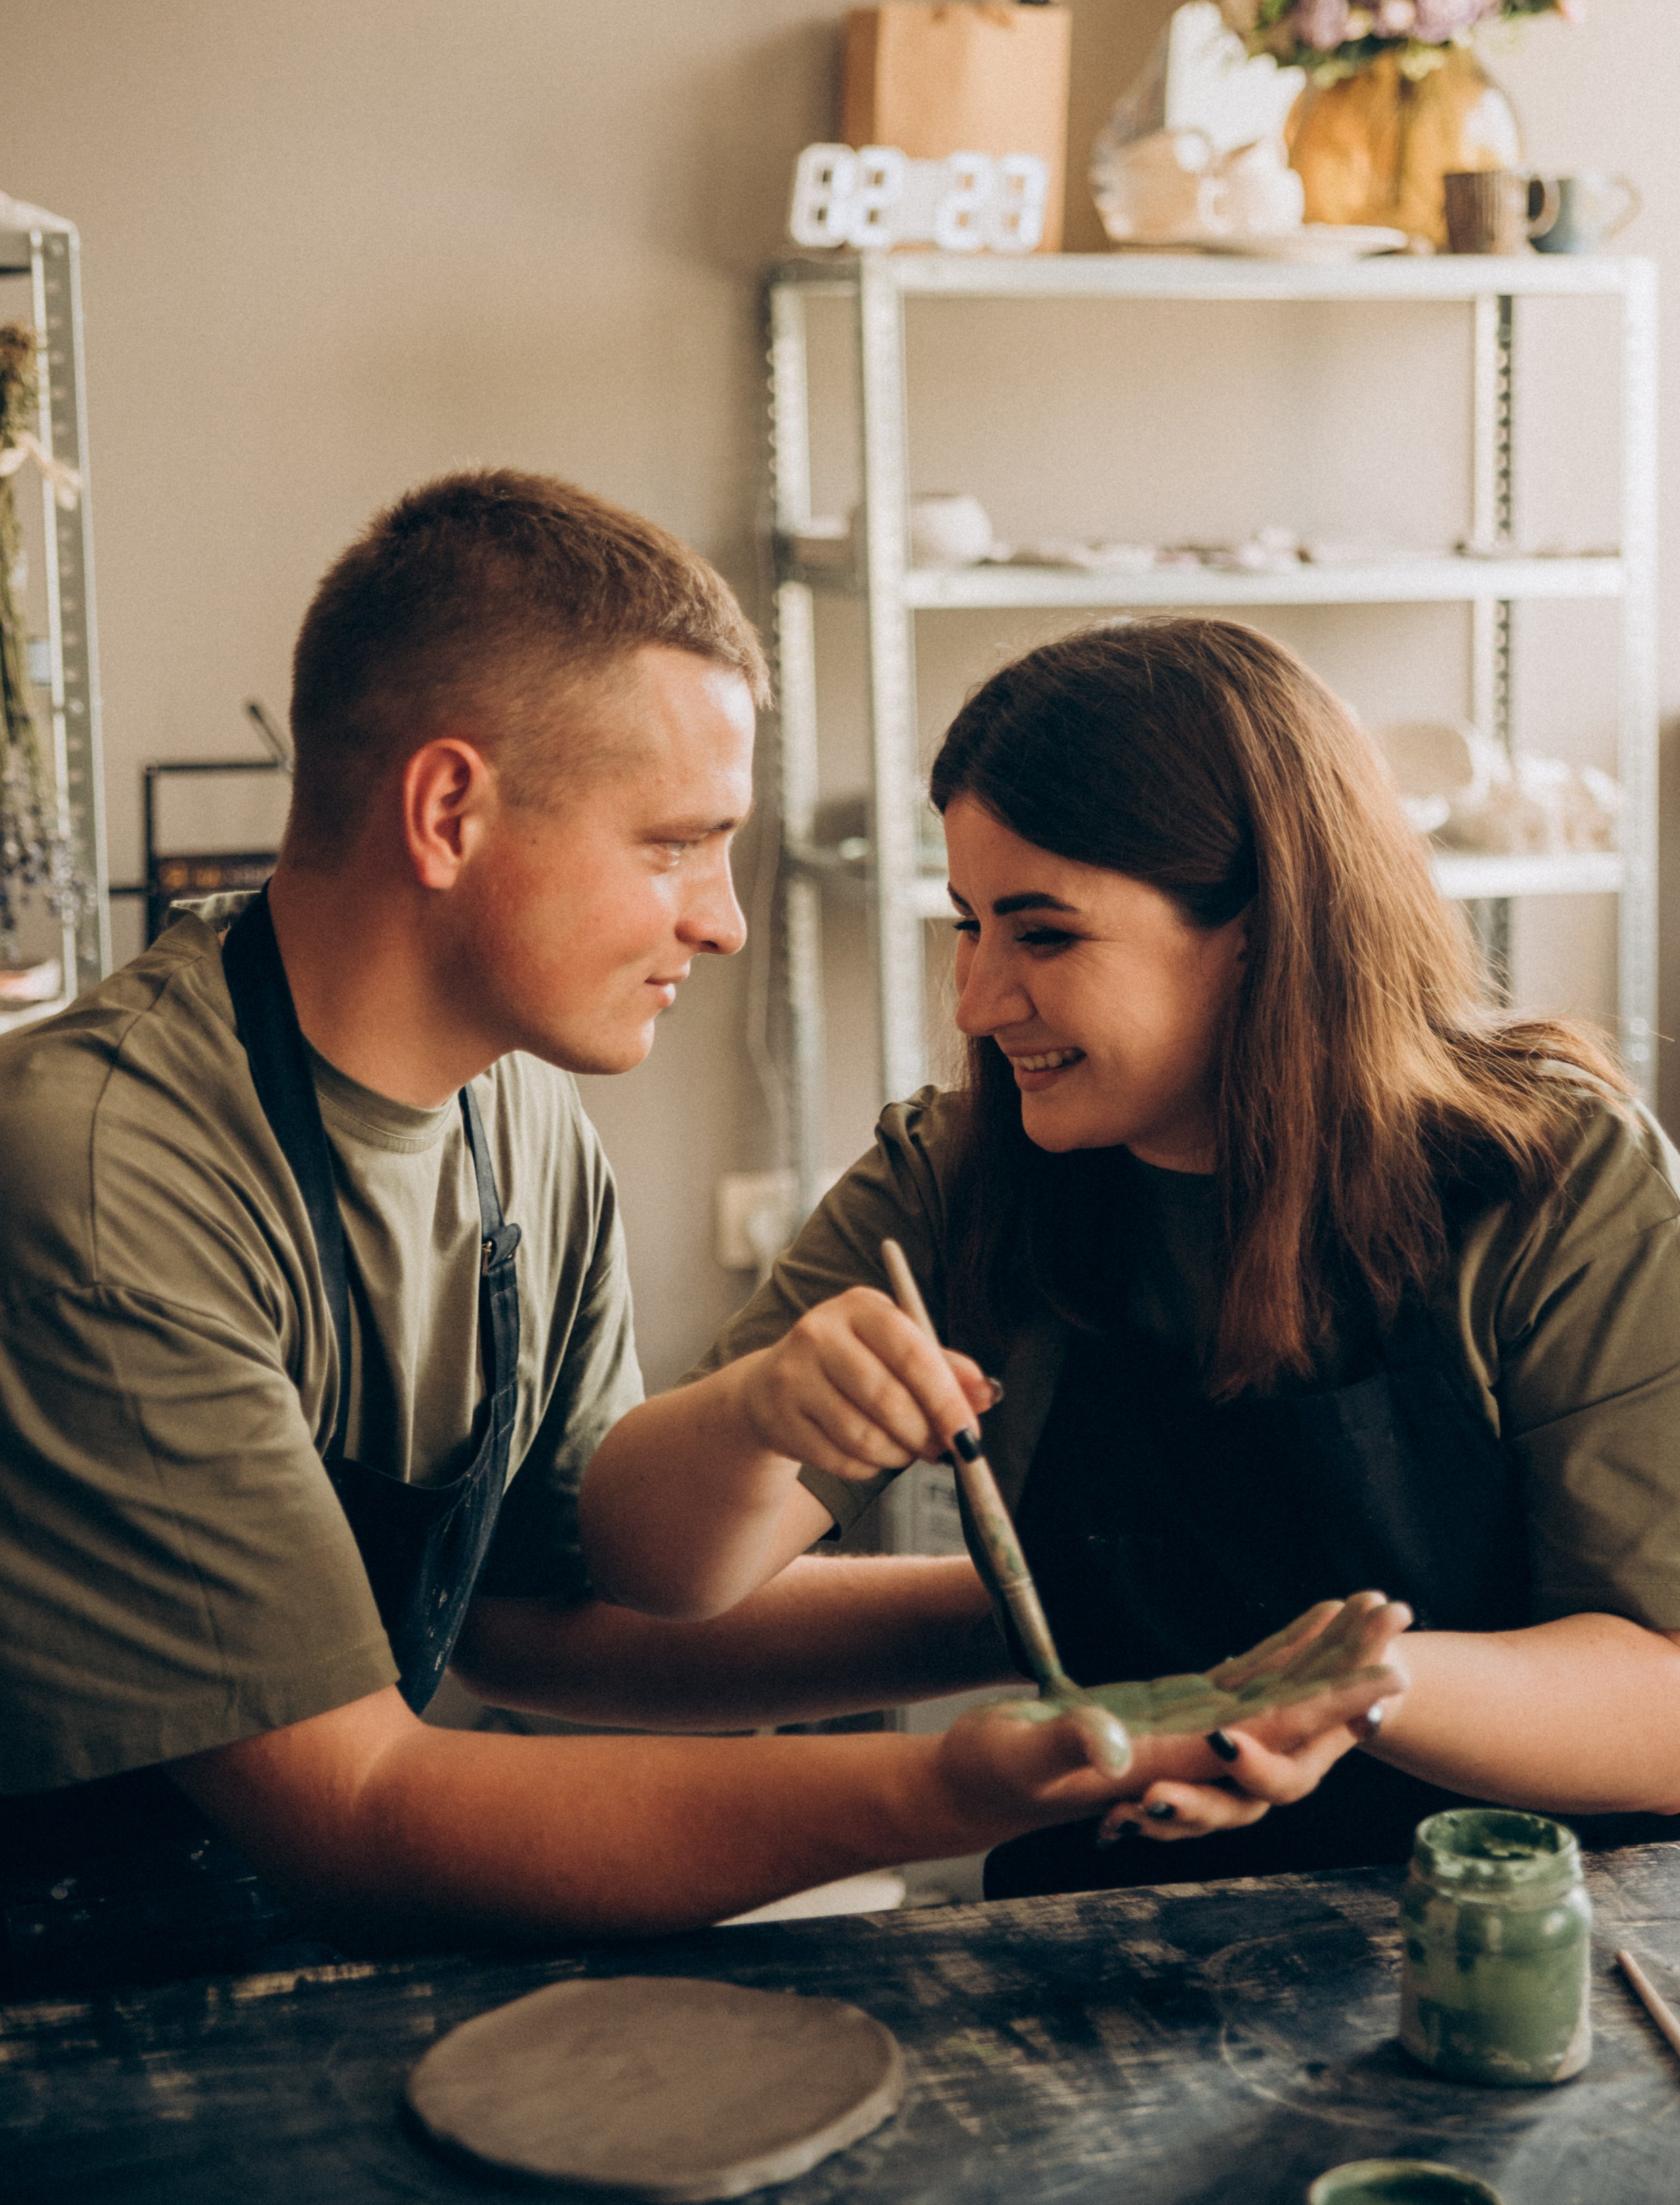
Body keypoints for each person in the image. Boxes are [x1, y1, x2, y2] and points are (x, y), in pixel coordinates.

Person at [0, 481, 1402, 1994]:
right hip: (83, 1996)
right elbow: (353, 1815)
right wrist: (944, 1786)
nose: (723, 920)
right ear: (447, 811)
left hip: (310, 1957)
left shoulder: (517, 1117)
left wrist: (1102, 1611)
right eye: (677, 844)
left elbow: (547, 1622)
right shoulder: (103, 1174)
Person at [580, 614, 1680, 1895]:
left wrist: (1351, 1690)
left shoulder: (1549, 1179)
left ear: (1262, 928)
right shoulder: (957, 1174)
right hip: (1106, 1929)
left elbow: (1659, 1705)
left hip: (1496, 1932)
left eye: (1042, 933)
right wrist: (752, 1413)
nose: (977, 1001)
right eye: (966, 923)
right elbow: (651, 1573)